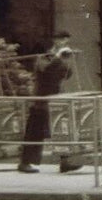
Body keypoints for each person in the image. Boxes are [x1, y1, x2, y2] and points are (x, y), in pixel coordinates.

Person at [18, 32, 77, 173]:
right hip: (41, 102)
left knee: (61, 132)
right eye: (61, 41)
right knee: (34, 133)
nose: (63, 44)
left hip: (56, 102)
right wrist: (58, 57)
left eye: (65, 42)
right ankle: (24, 163)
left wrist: (67, 61)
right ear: (54, 41)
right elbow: (46, 71)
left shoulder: (59, 59)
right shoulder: (42, 58)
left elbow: (67, 75)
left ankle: (65, 162)